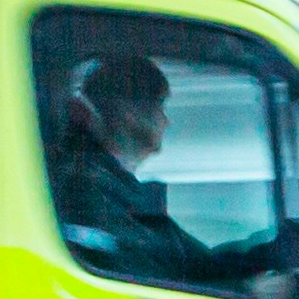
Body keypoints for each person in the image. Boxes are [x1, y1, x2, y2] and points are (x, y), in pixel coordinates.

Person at [44, 50, 210, 284]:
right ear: (130, 113)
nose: (167, 121)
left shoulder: (123, 191)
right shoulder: (88, 190)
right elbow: (148, 275)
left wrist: (260, 258)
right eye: (160, 106)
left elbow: (196, 263)